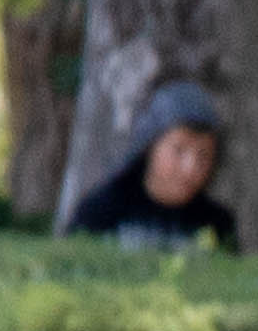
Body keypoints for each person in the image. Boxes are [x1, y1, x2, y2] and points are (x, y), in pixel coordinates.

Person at [63, 81, 241, 252]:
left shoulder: (217, 223)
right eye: (179, 150)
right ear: (150, 146)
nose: (191, 167)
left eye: (204, 155)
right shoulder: (102, 211)